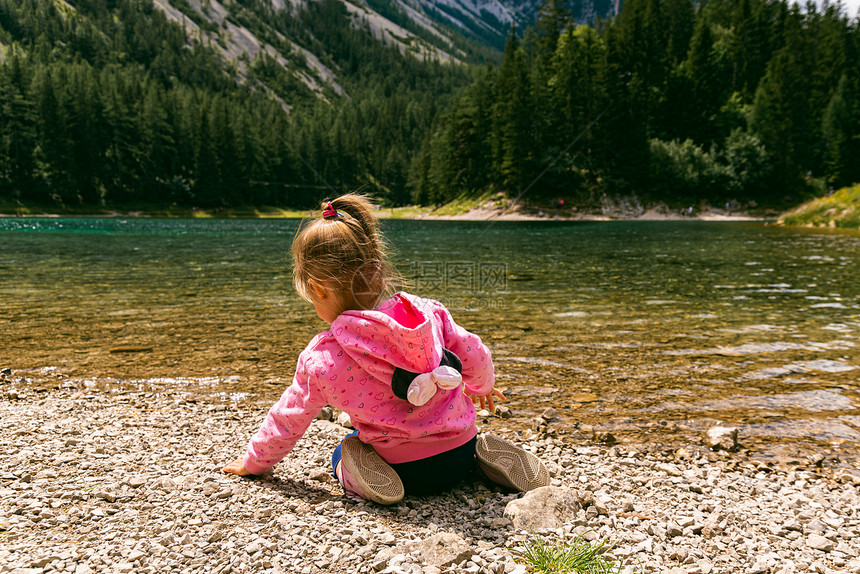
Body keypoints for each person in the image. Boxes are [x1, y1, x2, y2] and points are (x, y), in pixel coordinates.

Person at [222, 194, 550, 504]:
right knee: (461, 442)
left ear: (318, 290)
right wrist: (483, 386)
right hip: (458, 454)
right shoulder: (428, 314)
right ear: (378, 272)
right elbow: (473, 350)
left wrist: (254, 463)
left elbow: (289, 418)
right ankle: (479, 459)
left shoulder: (322, 358)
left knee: (345, 447)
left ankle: (355, 473)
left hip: (404, 471)